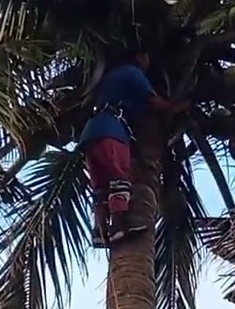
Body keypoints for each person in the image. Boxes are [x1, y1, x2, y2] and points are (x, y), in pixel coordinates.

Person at [79, 51, 185, 248]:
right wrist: (177, 107)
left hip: (90, 134)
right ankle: (119, 228)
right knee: (120, 180)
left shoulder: (110, 79)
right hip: (111, 131)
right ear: (137, 57)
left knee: (102, 190)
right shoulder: (132, 72)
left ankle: (99, 233)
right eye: (145, 56)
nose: (148, 60)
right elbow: (155, 102)